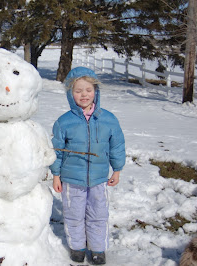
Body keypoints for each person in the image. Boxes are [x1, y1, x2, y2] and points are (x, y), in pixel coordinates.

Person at [50, 67, 125, 265]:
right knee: (74, 214)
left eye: (88, 90)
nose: (84, 95)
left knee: (98, 214)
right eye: (78, 90)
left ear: (96, 91)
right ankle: (77, 246)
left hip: (99, 179)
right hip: (71, 179)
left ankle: (98, 248)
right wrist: (56, 175)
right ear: (70, 93)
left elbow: (117, 145)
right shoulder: (64, 122)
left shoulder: (108, 119)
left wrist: (117, 169)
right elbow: (57, 151)